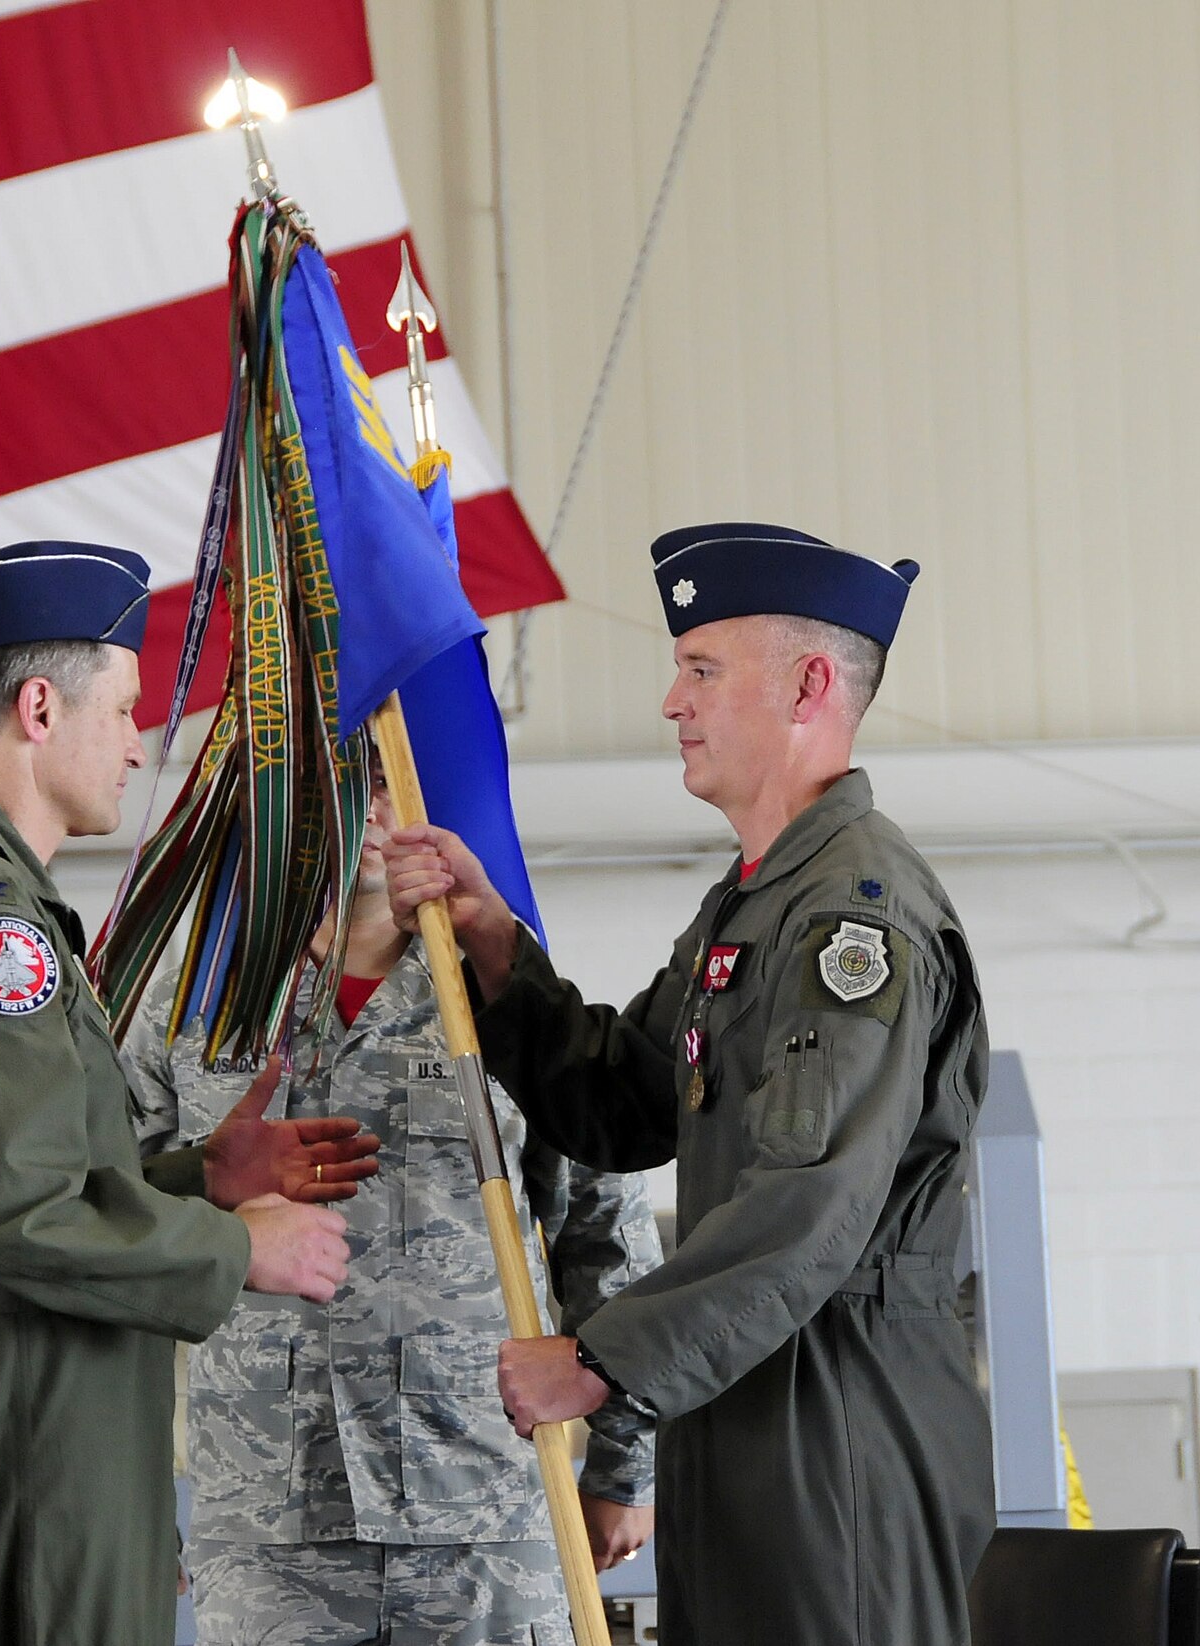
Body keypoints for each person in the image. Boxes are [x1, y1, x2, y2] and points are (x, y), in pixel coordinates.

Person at [384, 523, 997, 1646]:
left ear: (810, 682)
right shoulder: (755, 901)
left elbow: (809, 1205)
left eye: (702, 667)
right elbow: (621, 1100)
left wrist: (598, 1358)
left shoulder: (849, 914)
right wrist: (495, 950)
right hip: (741, 1392)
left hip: (837, 1409)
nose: (672, 700)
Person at [0, 541, 376, 1645]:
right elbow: (5, 1212)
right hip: (22, 1465)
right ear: (39, 707)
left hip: (28, 1451)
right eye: (121, 708)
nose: (136, 744)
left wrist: (200, 1178)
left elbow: (13, 1173)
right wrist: (238, 1249)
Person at [124, 761, 661, 1645]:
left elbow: (606, 1230)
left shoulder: (499, 983)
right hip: (269, 1521)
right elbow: (113, 1227)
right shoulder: (192, 989)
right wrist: (132, 1499)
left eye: (386, 783)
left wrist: (623, 1463)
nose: (366, 812)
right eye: (332, 781)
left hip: (486, 1504)